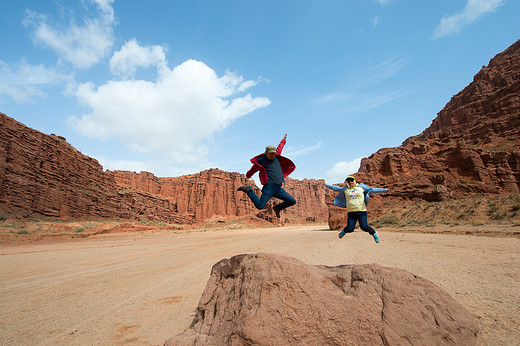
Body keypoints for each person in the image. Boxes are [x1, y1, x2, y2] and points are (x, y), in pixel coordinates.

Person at [237, 134, 296, 218]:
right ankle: (249, 190)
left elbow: (280, 147)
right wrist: (248, 175)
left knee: (292, 201)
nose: (272, 155)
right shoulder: (262, 160)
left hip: (278, 188)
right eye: (270, 154)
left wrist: (284, 140)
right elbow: (253, 168)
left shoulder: (276, 156)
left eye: (273, 153)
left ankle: (277, 208)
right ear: (266, 153)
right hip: (269, 187)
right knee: (260, 206)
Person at [325, 175, 388, 243]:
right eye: (348, 181)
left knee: (364, 227)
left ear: (355, 181)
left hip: (361, 212)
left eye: (352, 180)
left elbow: (373, 190)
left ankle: (374, 233)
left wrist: (384, 190)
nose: (350, 182)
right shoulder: (346, 189)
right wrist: (326, 185)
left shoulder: (362, 188)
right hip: (351, 213)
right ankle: (343, 232)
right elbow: (335, 188)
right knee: (350, 228)